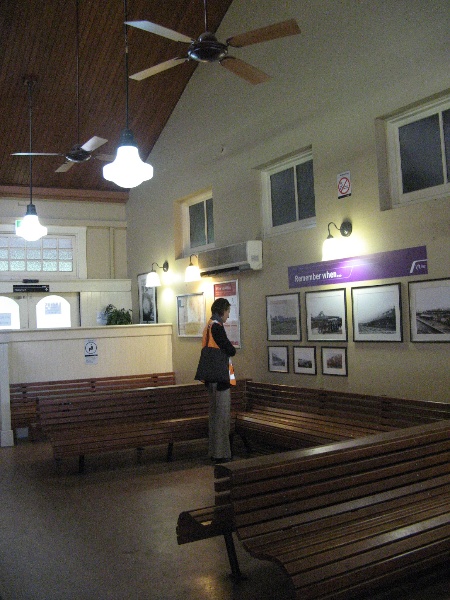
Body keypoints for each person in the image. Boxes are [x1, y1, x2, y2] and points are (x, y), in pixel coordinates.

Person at [201, 297, 236, 463]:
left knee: (214, 416)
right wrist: (231, 349)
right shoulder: (217, 327)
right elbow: (229, 349)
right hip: (221, 377)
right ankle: (222, 453)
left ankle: (214, 451)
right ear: (222, 311)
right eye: (228, 311)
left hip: (210, 376)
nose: (228, 315)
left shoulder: (208, 325)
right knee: (222, 416)